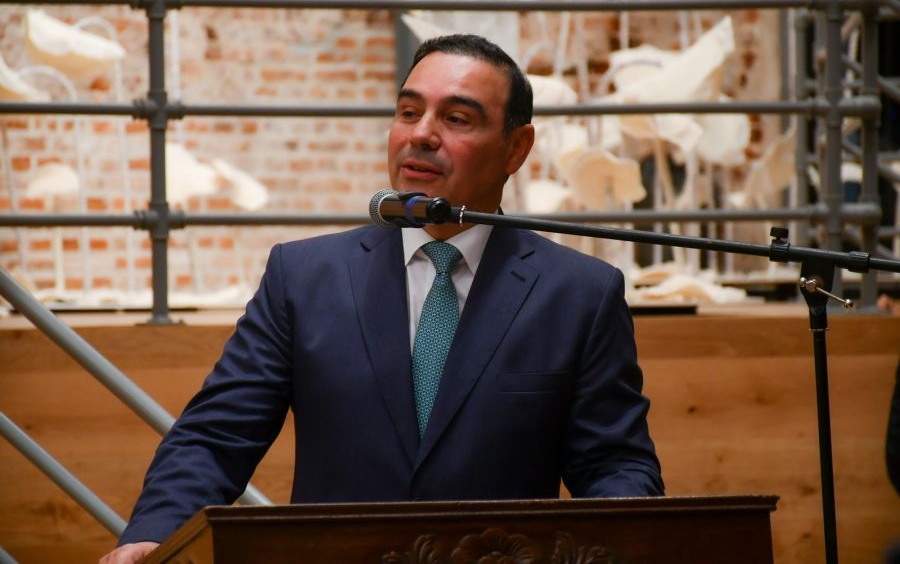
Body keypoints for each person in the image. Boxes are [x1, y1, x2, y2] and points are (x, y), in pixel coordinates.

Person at [100, 34, 663, 563]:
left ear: (516, 148)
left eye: (456, 119)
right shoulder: (304, 276)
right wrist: (154, 534)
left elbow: (613, 464)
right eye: (408, 112)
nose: (421, 134)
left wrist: (629, 535)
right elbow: (215, 434)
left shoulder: (579, 293)